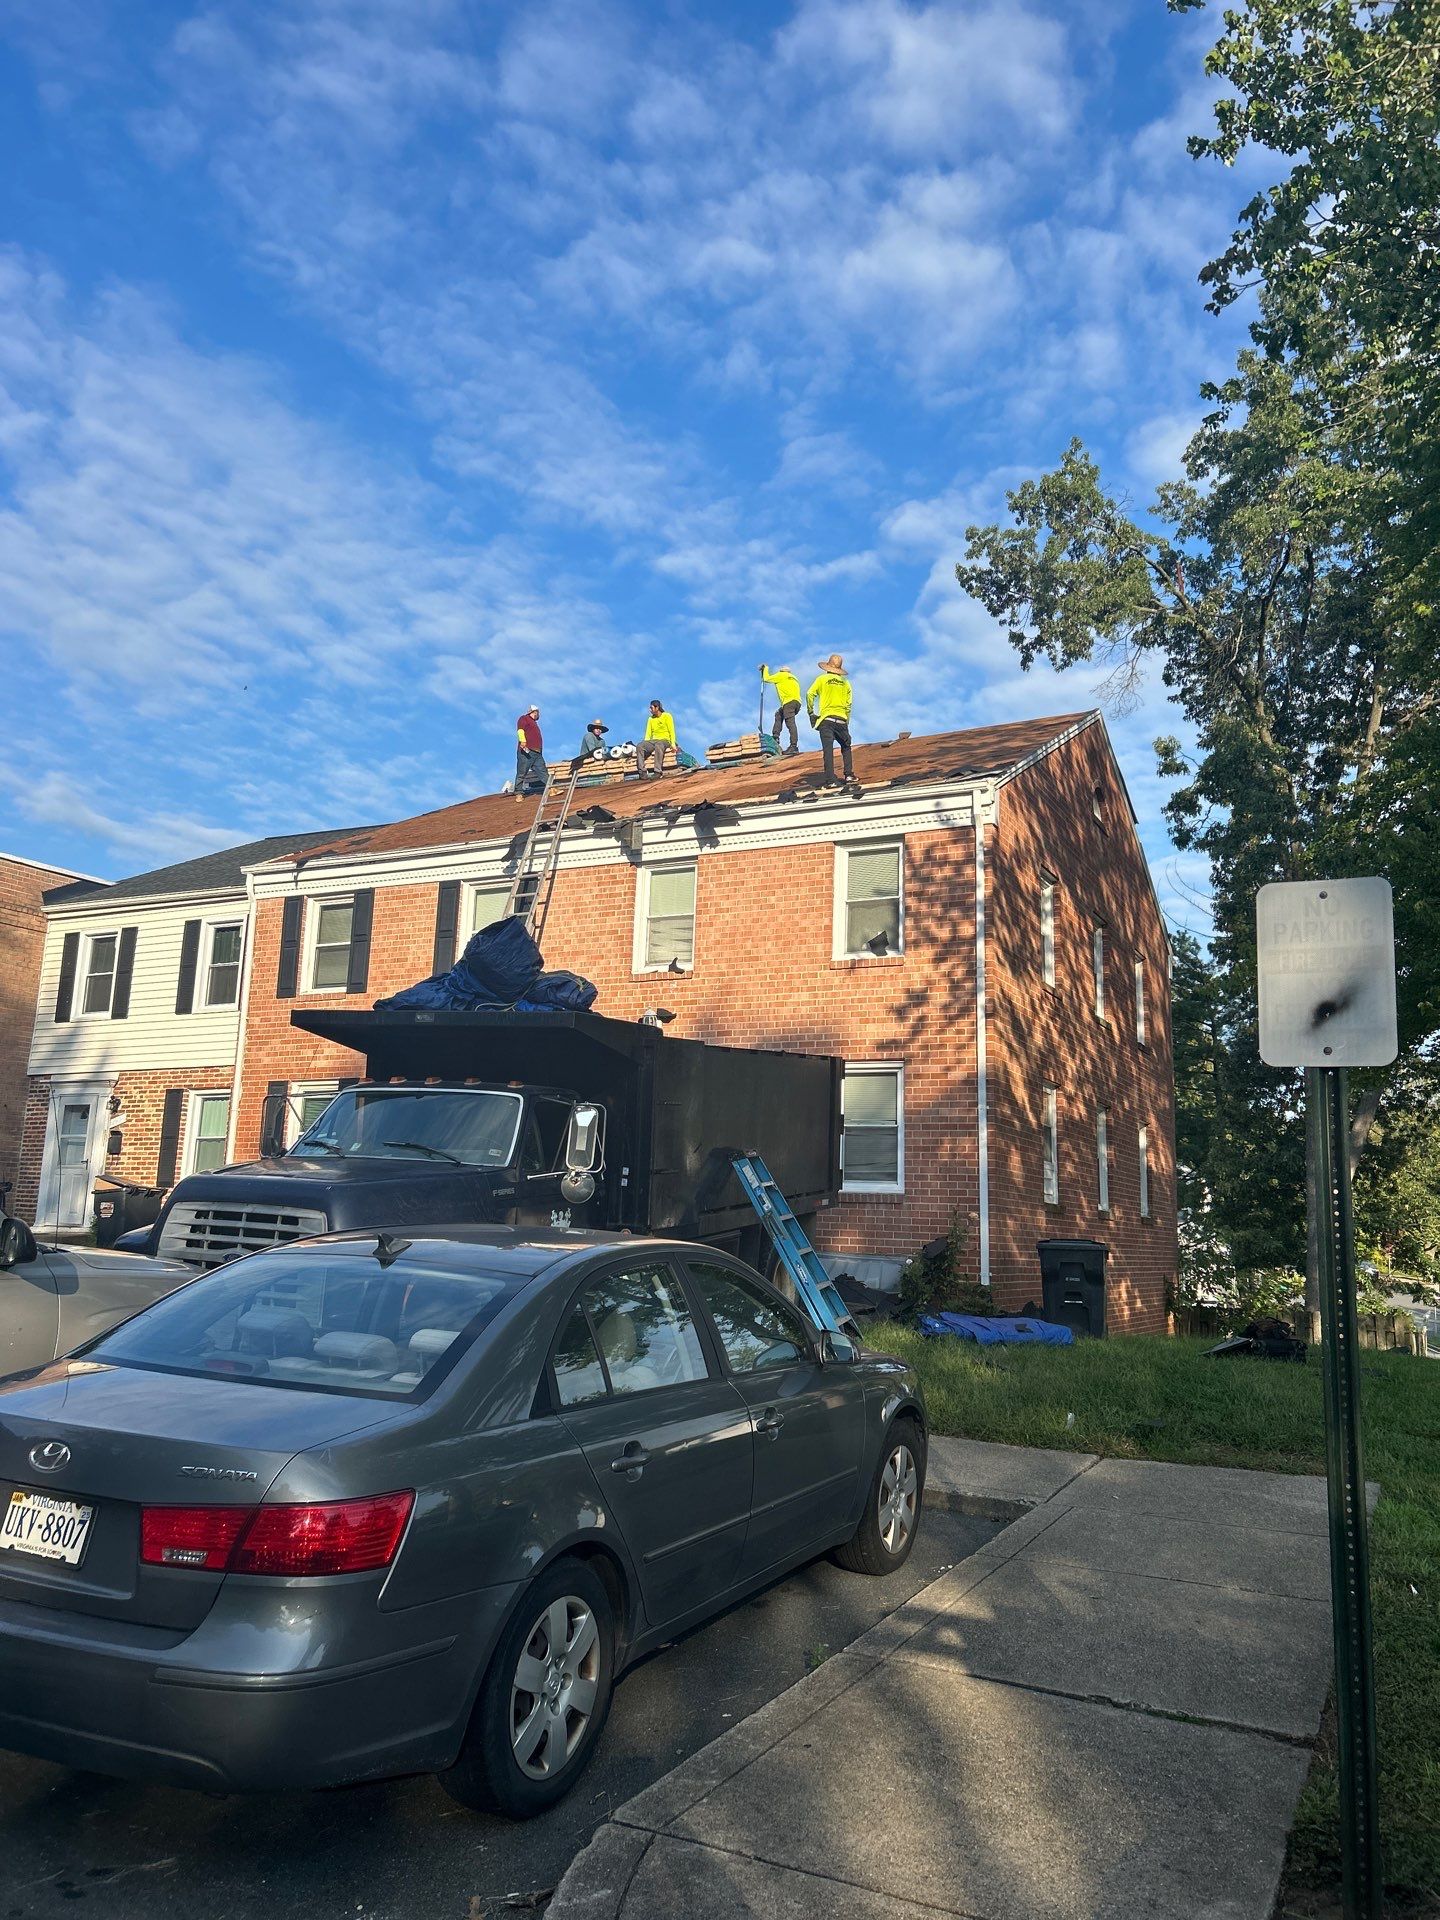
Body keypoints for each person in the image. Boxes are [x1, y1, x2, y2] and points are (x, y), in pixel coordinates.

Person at [806, 654, 855, 787]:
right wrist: (846, 720)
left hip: (826, 720)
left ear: (827, 667)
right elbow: (848, 704)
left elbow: (810, 694)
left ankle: (830, 780)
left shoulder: (822, 679)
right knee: (846, 746)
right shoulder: (846, 683)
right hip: (841, 720)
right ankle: (849, 774)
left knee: (828, 750)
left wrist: (811, 712)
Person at [761, 663, 802, 754]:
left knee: (790, 723)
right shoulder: (794, 677)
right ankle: (776, 736)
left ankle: (793, 746)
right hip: (797, 703)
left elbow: (766, 678)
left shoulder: (781, 675)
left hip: (789, 703)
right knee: (779, 714)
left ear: (781, 671)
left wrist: (765, 668)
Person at [638, 699, 676, 777]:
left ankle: (657, 772)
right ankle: (642, 772)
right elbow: (648, 734)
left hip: (665, 740)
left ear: (657, 707)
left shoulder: (667, 716)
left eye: (651, 708)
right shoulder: (650, 719)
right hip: (654, 741)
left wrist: (673, 744)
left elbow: (671, 731)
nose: (650, 710)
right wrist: (646, 746)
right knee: (640, 745)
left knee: (659, 744)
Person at [515, 705, 546, 796]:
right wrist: (523, 741)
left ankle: (550, 789)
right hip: (527, 750)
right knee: (522, 771)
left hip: (537, 752)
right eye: (537, 712)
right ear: (533, 712)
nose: (538, 714)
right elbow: (520, 730)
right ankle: (518, 792)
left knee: (543, 771)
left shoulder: (534, 723)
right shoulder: (524, 718)